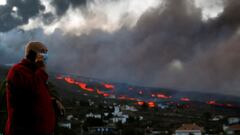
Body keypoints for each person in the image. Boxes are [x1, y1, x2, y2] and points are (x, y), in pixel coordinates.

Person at [5, 41, 64, 135]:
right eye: (42, 51)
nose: (45, 55)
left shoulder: (34, 72)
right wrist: (41, 70)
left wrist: (52, 101)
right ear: (31, 54)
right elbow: (30, 91)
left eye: (46, 52)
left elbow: (36, 96)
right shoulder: (18, 71)